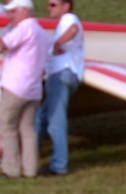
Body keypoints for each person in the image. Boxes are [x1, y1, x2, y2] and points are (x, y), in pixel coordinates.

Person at [0, 0, 50, 179]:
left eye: (13, 11)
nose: (10, 15)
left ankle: (11, 169)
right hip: (34, 88)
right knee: (28, 129)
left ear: (24, 10)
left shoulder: (23, 29)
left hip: (16, 86)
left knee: (6, 125)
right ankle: (30, 170)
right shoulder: (42, 33)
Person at [35, 0, 83, 176]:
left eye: (53, 4)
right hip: (63, 75)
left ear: (66, 6)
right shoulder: (65, 22)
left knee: (56, 122)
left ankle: (58, 166)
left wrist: (57, 44)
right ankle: (31, 157)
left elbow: (73, 30)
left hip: (62, 75)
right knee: (40, 117)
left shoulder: (69, 19)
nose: (49, 8)